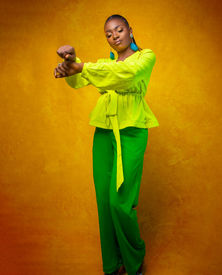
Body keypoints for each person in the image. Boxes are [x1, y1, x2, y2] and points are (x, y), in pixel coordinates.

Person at [54, 14, 159, 275]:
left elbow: (124, 76)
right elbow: (80, 80)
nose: (114, 36)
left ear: (130, 31)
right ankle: (113, 265)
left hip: (132, 130)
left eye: (119, 30)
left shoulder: (145, 57)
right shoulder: (105, 63)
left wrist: (82, 67)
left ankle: (134, 261)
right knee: (104, 200)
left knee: (119, 203)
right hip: (103, 131)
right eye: (109, 34)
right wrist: (71, 62)